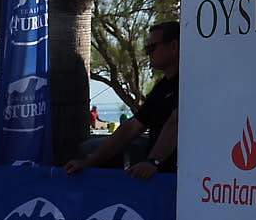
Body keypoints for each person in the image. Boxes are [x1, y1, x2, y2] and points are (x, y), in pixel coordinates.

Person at [67, 21, 179, 179]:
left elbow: (177, 122)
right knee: (91, 147)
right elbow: (133, 127)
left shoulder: (189, 85)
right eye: (147, 48)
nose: (148, 53)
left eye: (152, 47)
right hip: (157, 176)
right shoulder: (162, 87)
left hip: (182, 179)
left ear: (174, 46)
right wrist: (89, 162)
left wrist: (153, 162)